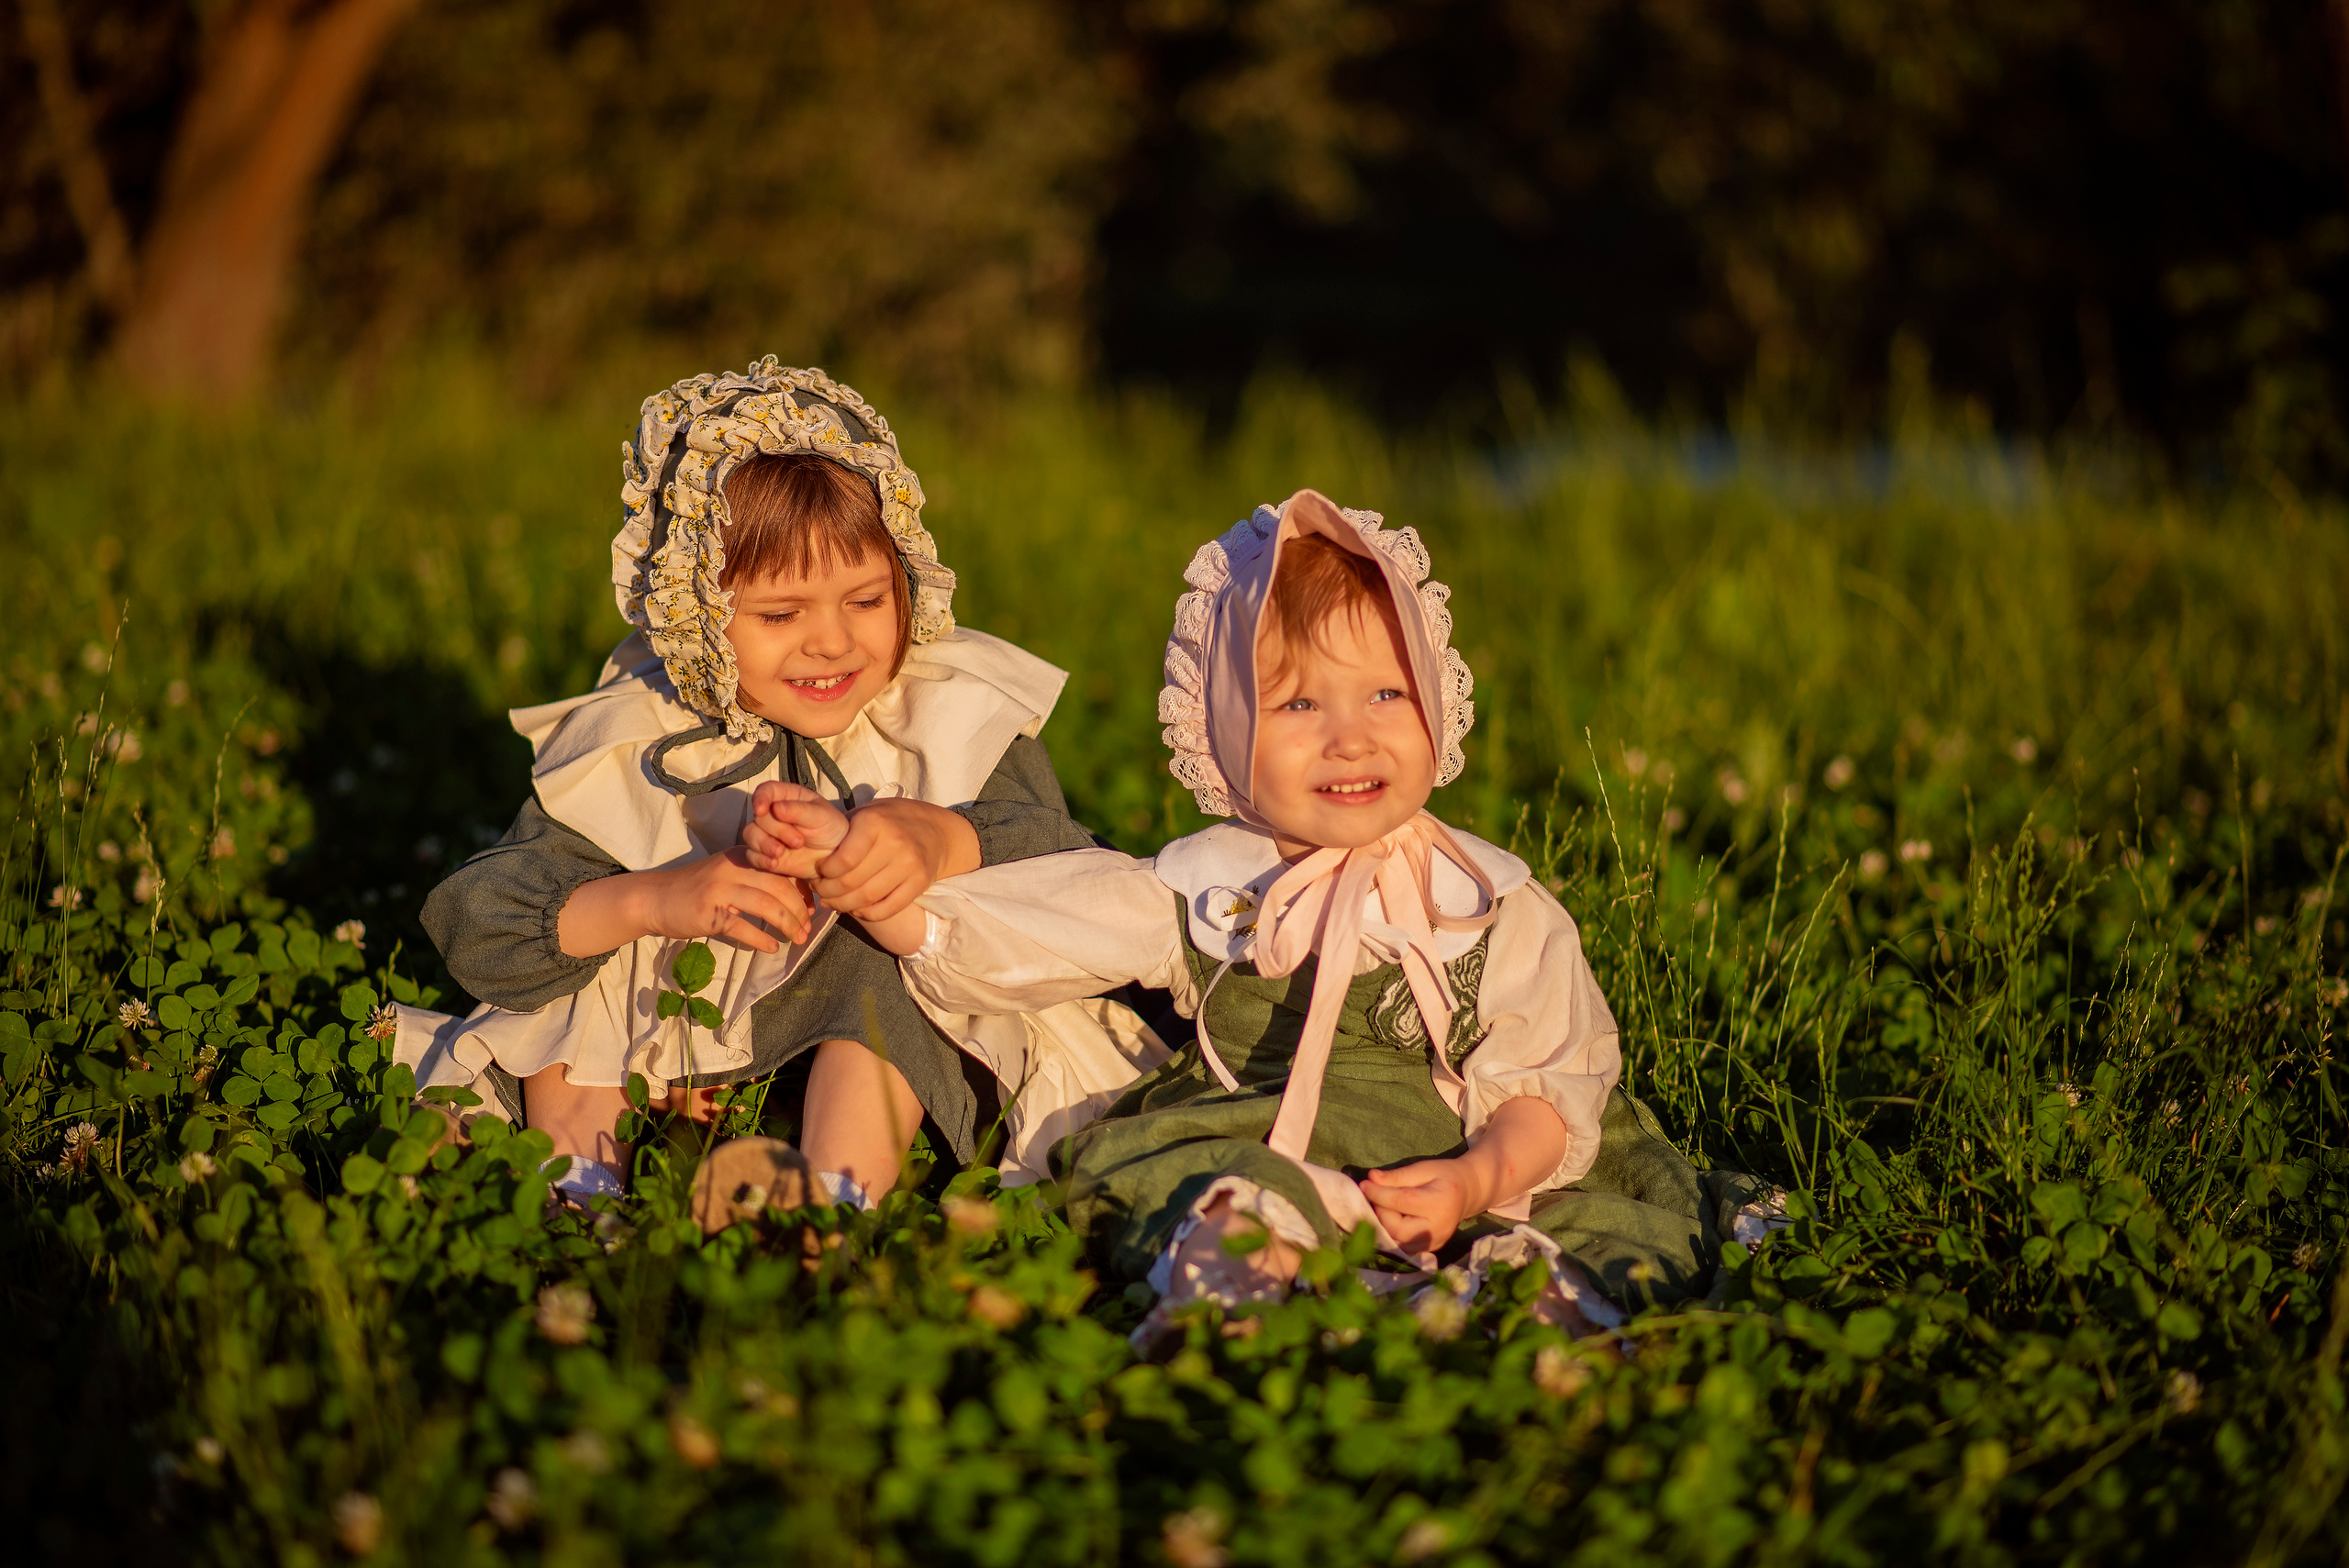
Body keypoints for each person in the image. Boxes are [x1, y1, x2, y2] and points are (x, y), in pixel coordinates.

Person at [751, 487, 1780, 1344]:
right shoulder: (1208, 886)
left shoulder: (1493, 903)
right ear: (1224, 732)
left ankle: (1511, 1302)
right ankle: (1244, 1301)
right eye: (1296, 706)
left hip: (1479, 1154)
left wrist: (1475, 1177)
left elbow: (1548, 1086)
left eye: (1385, 694)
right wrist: (878, 887)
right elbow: (1036, 930)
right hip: (1273, 1138)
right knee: (1212, 1188)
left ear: (1436, 702)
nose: (1349, 737)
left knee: (1596, 1225)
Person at [394, 361, 1164, 1213]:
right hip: (678, 1016)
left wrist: (934, 841)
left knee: (884, 959)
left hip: (875, 1040)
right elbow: (482, 924)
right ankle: (576, 1194)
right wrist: (661, 899)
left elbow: (1073, 869)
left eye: (866, 599)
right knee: (584, 976)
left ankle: (826, 1200)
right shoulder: (649, 736)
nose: (831, 642)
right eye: (780, 615)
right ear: (696, 615)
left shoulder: (947, 716)